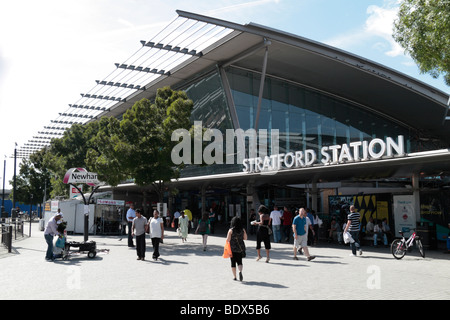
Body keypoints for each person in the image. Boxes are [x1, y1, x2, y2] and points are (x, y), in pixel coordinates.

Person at [226, 216, 247, 281]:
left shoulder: (231, 230)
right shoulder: (242, 230)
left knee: (233, 262)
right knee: (240, 261)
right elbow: (245, 238)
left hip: (232, 248)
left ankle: (235, 277)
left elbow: (228, 240)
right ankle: (240, 271)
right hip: (240, 248)